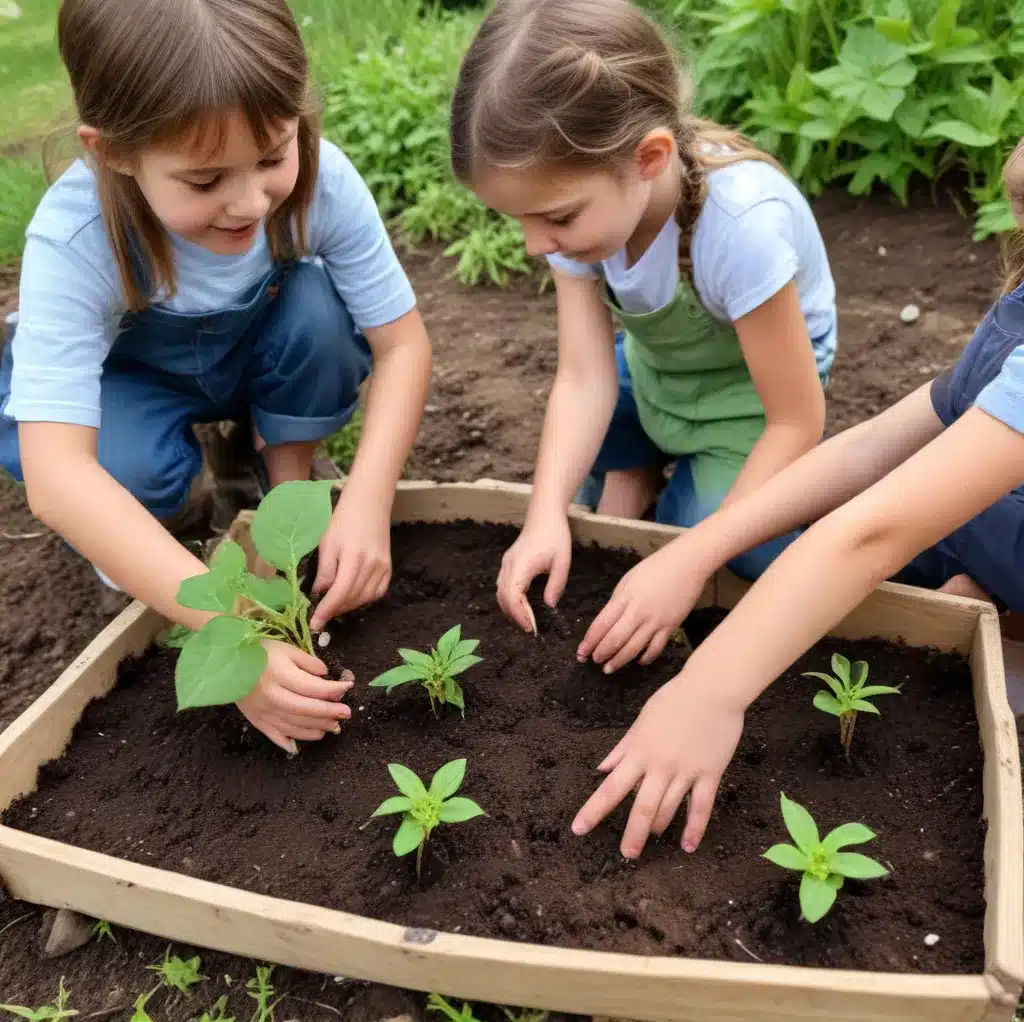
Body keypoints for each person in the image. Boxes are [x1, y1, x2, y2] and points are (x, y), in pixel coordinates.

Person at [563, 141, 1024, 861]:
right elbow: (876, 446)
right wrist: (699, 548)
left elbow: (874, 534)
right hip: (997, 504)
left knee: (893, 588)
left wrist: (710, 690)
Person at [0, 0, 432, 755]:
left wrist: (366, 505)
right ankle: (173, 526)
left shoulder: (321, 182)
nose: (250, 201)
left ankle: (281, 487)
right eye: (204, 181)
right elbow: (56, 475)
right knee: (124, 475)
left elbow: (403, 346)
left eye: (272, 156)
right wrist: (234, 637)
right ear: (112, 153)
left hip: (254, 350)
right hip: (137, 383)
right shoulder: (75, 239)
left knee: (320, 319)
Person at [450, 0, 838, 634]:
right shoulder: (578, 217)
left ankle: (658, 487)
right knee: (570, 449)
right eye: (517, 220)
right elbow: (583, 378)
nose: (533, 244)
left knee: (742, 550)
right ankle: (632, 471)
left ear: (649, 158)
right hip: (660, 367)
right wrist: (543, 513)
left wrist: (695, 551)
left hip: (755, 393)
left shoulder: (741, 229)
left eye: (556, 218)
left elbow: (797, 419)